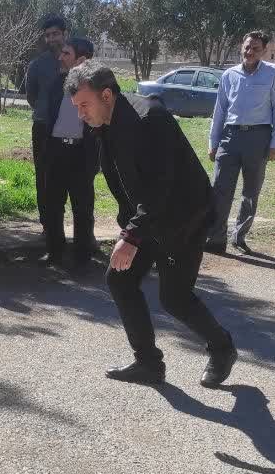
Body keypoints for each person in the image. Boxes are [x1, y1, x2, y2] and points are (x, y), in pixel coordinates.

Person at [65, 61, 237, 388]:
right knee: (120, 279)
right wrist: (129, 228)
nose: (80, 114)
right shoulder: (105, 123)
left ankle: (222, 347)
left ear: (106, 95)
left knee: (175, 298)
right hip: (150, 217)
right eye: (76, 107)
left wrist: (131, 237)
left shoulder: (148, 119)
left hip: (184, 218)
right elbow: (127, 183)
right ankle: (148, 364)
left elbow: (161, 187)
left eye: (84, 105)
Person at [205, 30, 275, 255]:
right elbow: (220, 110)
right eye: (247, 47)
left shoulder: (273, 73)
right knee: (220, 189)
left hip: (258, 138)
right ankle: (216, 238)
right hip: (230, 137)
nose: (250, 51)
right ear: (242, 47)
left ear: (264, 51)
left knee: (251, 192)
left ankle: (239, 237)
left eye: (255, 48)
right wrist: (213, 142)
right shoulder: (229, 75)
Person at [40, 37, 99, 267]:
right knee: (53, 205)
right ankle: (54, 252)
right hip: (56, 151)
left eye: (66, 54)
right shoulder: (57, 83)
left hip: (81, 154)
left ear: (81, 60)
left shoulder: (97, 87)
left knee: (82, 208)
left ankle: (82, 258)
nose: (60, 57)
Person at [25, 14, 68, 229]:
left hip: (73, 129)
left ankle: (80, 229)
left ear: (65, 34)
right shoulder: (37, 65)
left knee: (72, 178)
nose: (51, 39)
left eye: (55, 34)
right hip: (43, 127)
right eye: (48, 35)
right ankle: (47, 225)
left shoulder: (77, 60)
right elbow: (31, 96)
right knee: (44, 177)